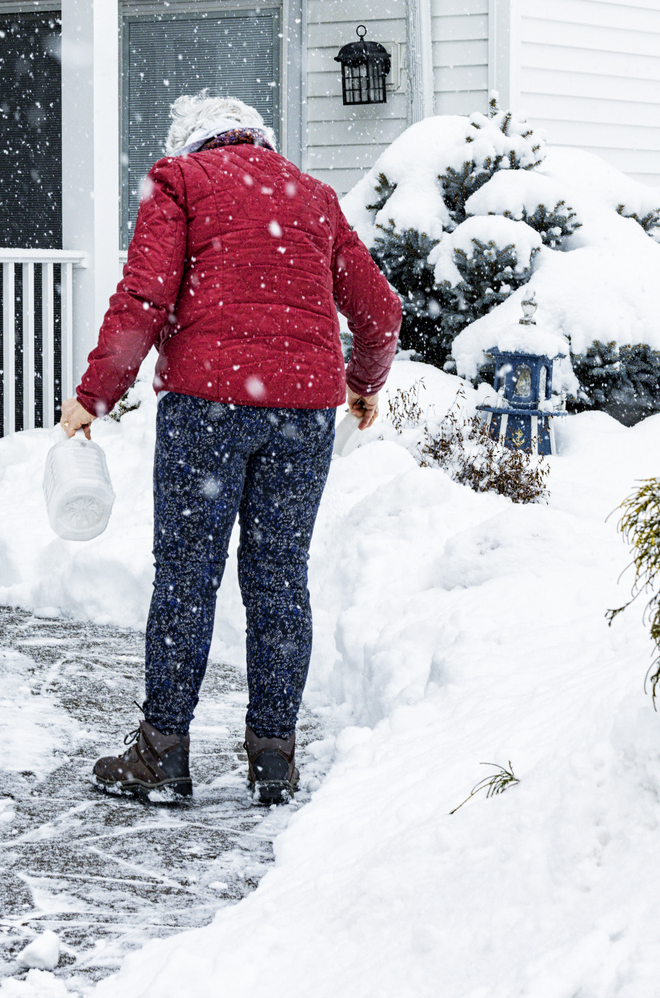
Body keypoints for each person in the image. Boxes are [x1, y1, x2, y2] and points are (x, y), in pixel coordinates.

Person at [59, 94, 402, 807]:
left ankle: (163, 754)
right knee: (279, 575)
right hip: (303, 414)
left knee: (187, 574)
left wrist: (95, 393)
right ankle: (273, 757)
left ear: (192, 143)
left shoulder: (180, 181)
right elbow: (379, 310)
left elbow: (145, 297)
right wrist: (364, 380)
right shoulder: (310, 197)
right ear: (259, 140)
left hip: (207, 407)